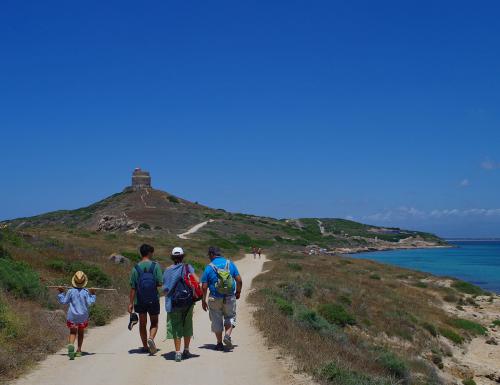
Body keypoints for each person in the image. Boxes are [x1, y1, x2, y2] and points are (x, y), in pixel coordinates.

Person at [201, 246, 242, 351]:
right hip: (229, 296)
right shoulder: (230, 264)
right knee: (230, 316)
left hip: (214, 298)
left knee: (216, 320)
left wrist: (203, 300)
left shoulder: (209, 267)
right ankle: (227, 335)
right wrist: (238, 292)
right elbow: (239, 280)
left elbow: (204, 286)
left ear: (211, 254)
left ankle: (219, 343)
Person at [163, 247, 200, 362]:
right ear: (183, 256)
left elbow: (165, 289)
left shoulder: (167, 270)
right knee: (187, 324)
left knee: (176, 327)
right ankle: (186, 350)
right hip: (187, 301)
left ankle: (177, 352)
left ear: (172, 258)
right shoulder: (187, 267)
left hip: (173, 302)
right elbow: (197, 281)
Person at [128, 243, 163, 354]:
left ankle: (144, 347)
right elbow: (160, 283)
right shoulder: (155, 266)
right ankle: (151, 338)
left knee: (142, 324)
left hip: (140, 300)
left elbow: (133, 287)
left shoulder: (135, 268)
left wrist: (131, 303)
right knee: (154, 322)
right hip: (153, 298)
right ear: (149, 253)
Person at [57, 271, 96, 360]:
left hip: (72, 316)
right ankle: (78, 351)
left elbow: (64, 301)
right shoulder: (86, 292)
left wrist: (61, 292)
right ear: (83, 282)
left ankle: (71, 346)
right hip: (83, 316)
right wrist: (93, 294)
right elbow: (90, 302)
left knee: (73, 332)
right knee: (81, 332)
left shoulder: (70, 291)